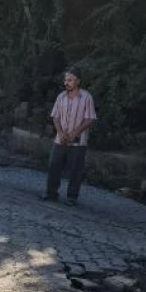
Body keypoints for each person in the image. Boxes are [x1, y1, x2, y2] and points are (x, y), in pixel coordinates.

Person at [41, 67, 97, 206]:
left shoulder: (86, 97)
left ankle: (72, 197)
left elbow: (90, 118)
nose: (67, 83)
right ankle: (51, 193)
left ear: (78, 81)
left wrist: (74, 133)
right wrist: (60, 132)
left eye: (70, 80)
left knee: (75, 170)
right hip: (60, 139)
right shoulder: (61, 96)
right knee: (54, 165)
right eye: (65, 80)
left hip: (79, 141)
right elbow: (55, 116)